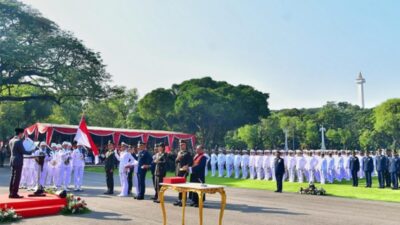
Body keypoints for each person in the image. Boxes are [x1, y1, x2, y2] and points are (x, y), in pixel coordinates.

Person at [9, 128, 32, 198]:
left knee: (13, 176)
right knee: (17, 177)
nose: (23, 135)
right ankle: (14, 193)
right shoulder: (18, 141)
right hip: (18, 160)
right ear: (20, 134)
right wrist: (32, 151)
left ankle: (11, 192)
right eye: (23, 134)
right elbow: (24, 151)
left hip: (12, 159)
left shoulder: (11, 140)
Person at [173, 140, 193, 206]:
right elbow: (176, 161)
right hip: (178, 171)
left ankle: (183, 200)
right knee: (179, 186)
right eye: (180, 144)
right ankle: (179, 199)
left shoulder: (188, 153)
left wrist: (187, 165)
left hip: (184, 172)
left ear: (185, 145)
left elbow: (191, 162)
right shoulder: (179, 153)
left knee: (183, 186)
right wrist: (177, 158)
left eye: (182, 144)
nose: (181, 146)